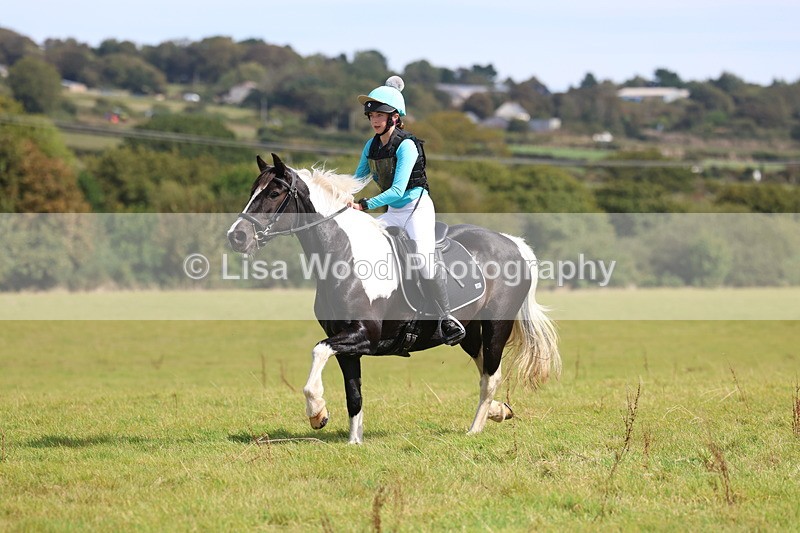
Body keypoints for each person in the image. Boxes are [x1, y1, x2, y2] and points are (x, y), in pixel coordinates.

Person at [348, 76, 466, 346]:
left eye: (381, 115)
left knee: (423, 260)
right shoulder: (371, 145)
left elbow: (398, 190)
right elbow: (357, 180)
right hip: (391, 210)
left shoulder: (407, 145)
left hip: (415, 208)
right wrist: (338, 195)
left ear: (395, 118)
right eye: (372, 115)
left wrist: (363, 205)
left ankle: (446, 318)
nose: (375, 120)